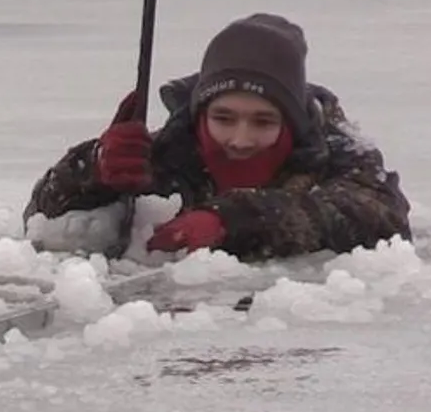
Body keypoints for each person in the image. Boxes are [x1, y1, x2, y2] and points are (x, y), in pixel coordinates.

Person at [23, 13, 411, 261]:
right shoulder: (171, 152)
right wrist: (93, 169)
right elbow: (41, 216)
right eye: (224, 118)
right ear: (200, 115)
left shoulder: (338, 154)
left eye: (262, 122)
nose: (240, 140)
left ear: (291, 123)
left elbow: (380, 218)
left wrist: (229, 221)